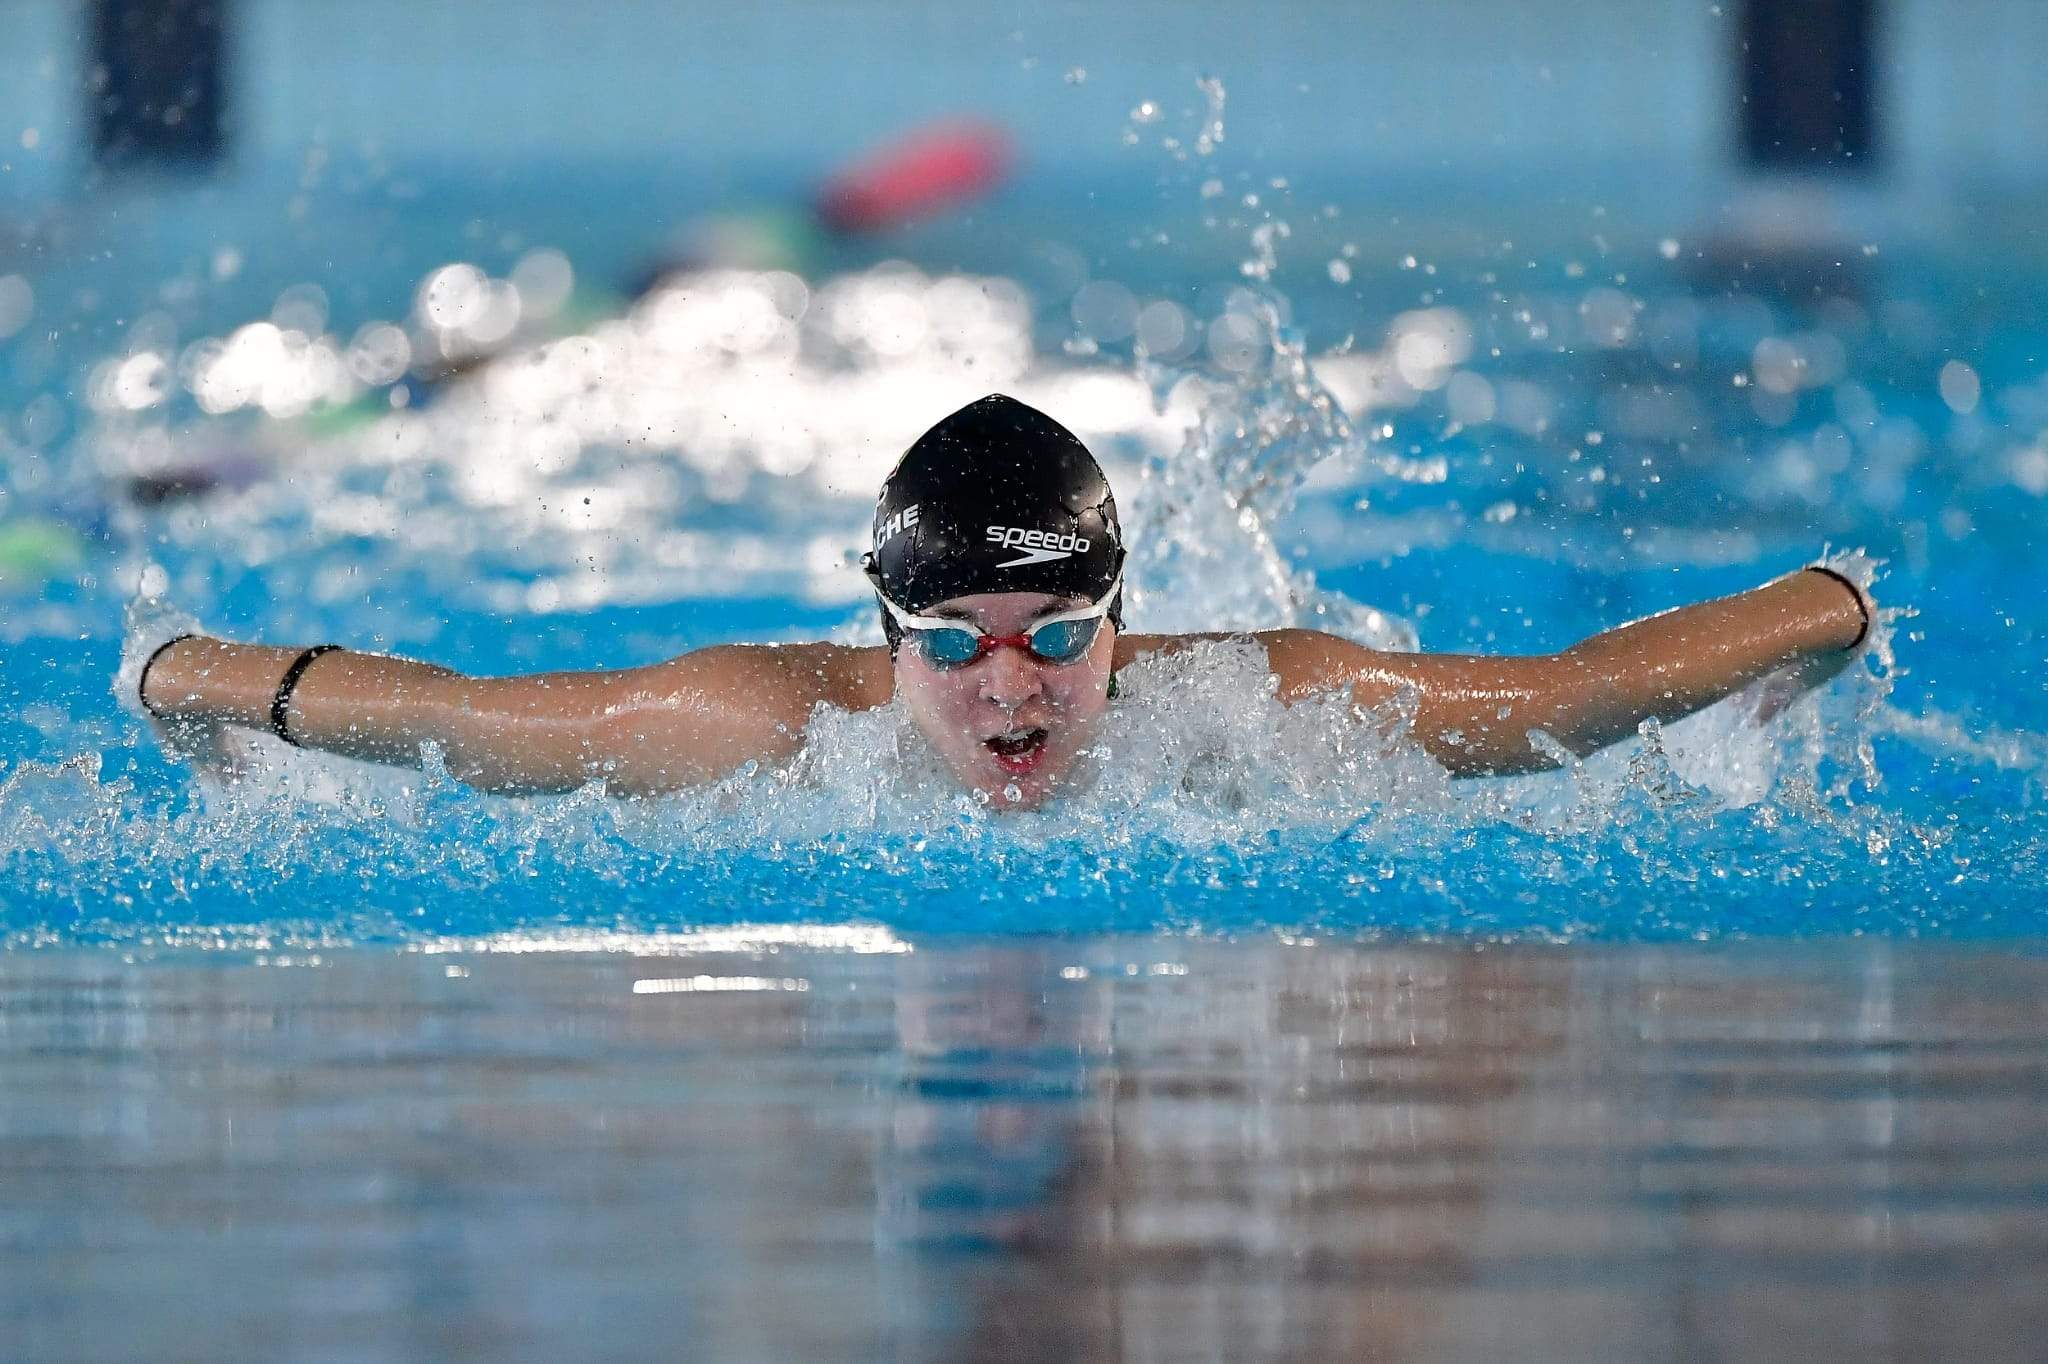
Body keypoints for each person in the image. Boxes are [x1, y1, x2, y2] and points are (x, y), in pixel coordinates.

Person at [133, 393, 1874, 808]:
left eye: (1055, 639)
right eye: (950, 647)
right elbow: (455, 716)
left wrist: (1832, 606)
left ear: (1127, 622)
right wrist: (185, 675)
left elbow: (1564, 694)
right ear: (886, 639)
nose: (1007, 691)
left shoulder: (1258, 703)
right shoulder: (759, 731)